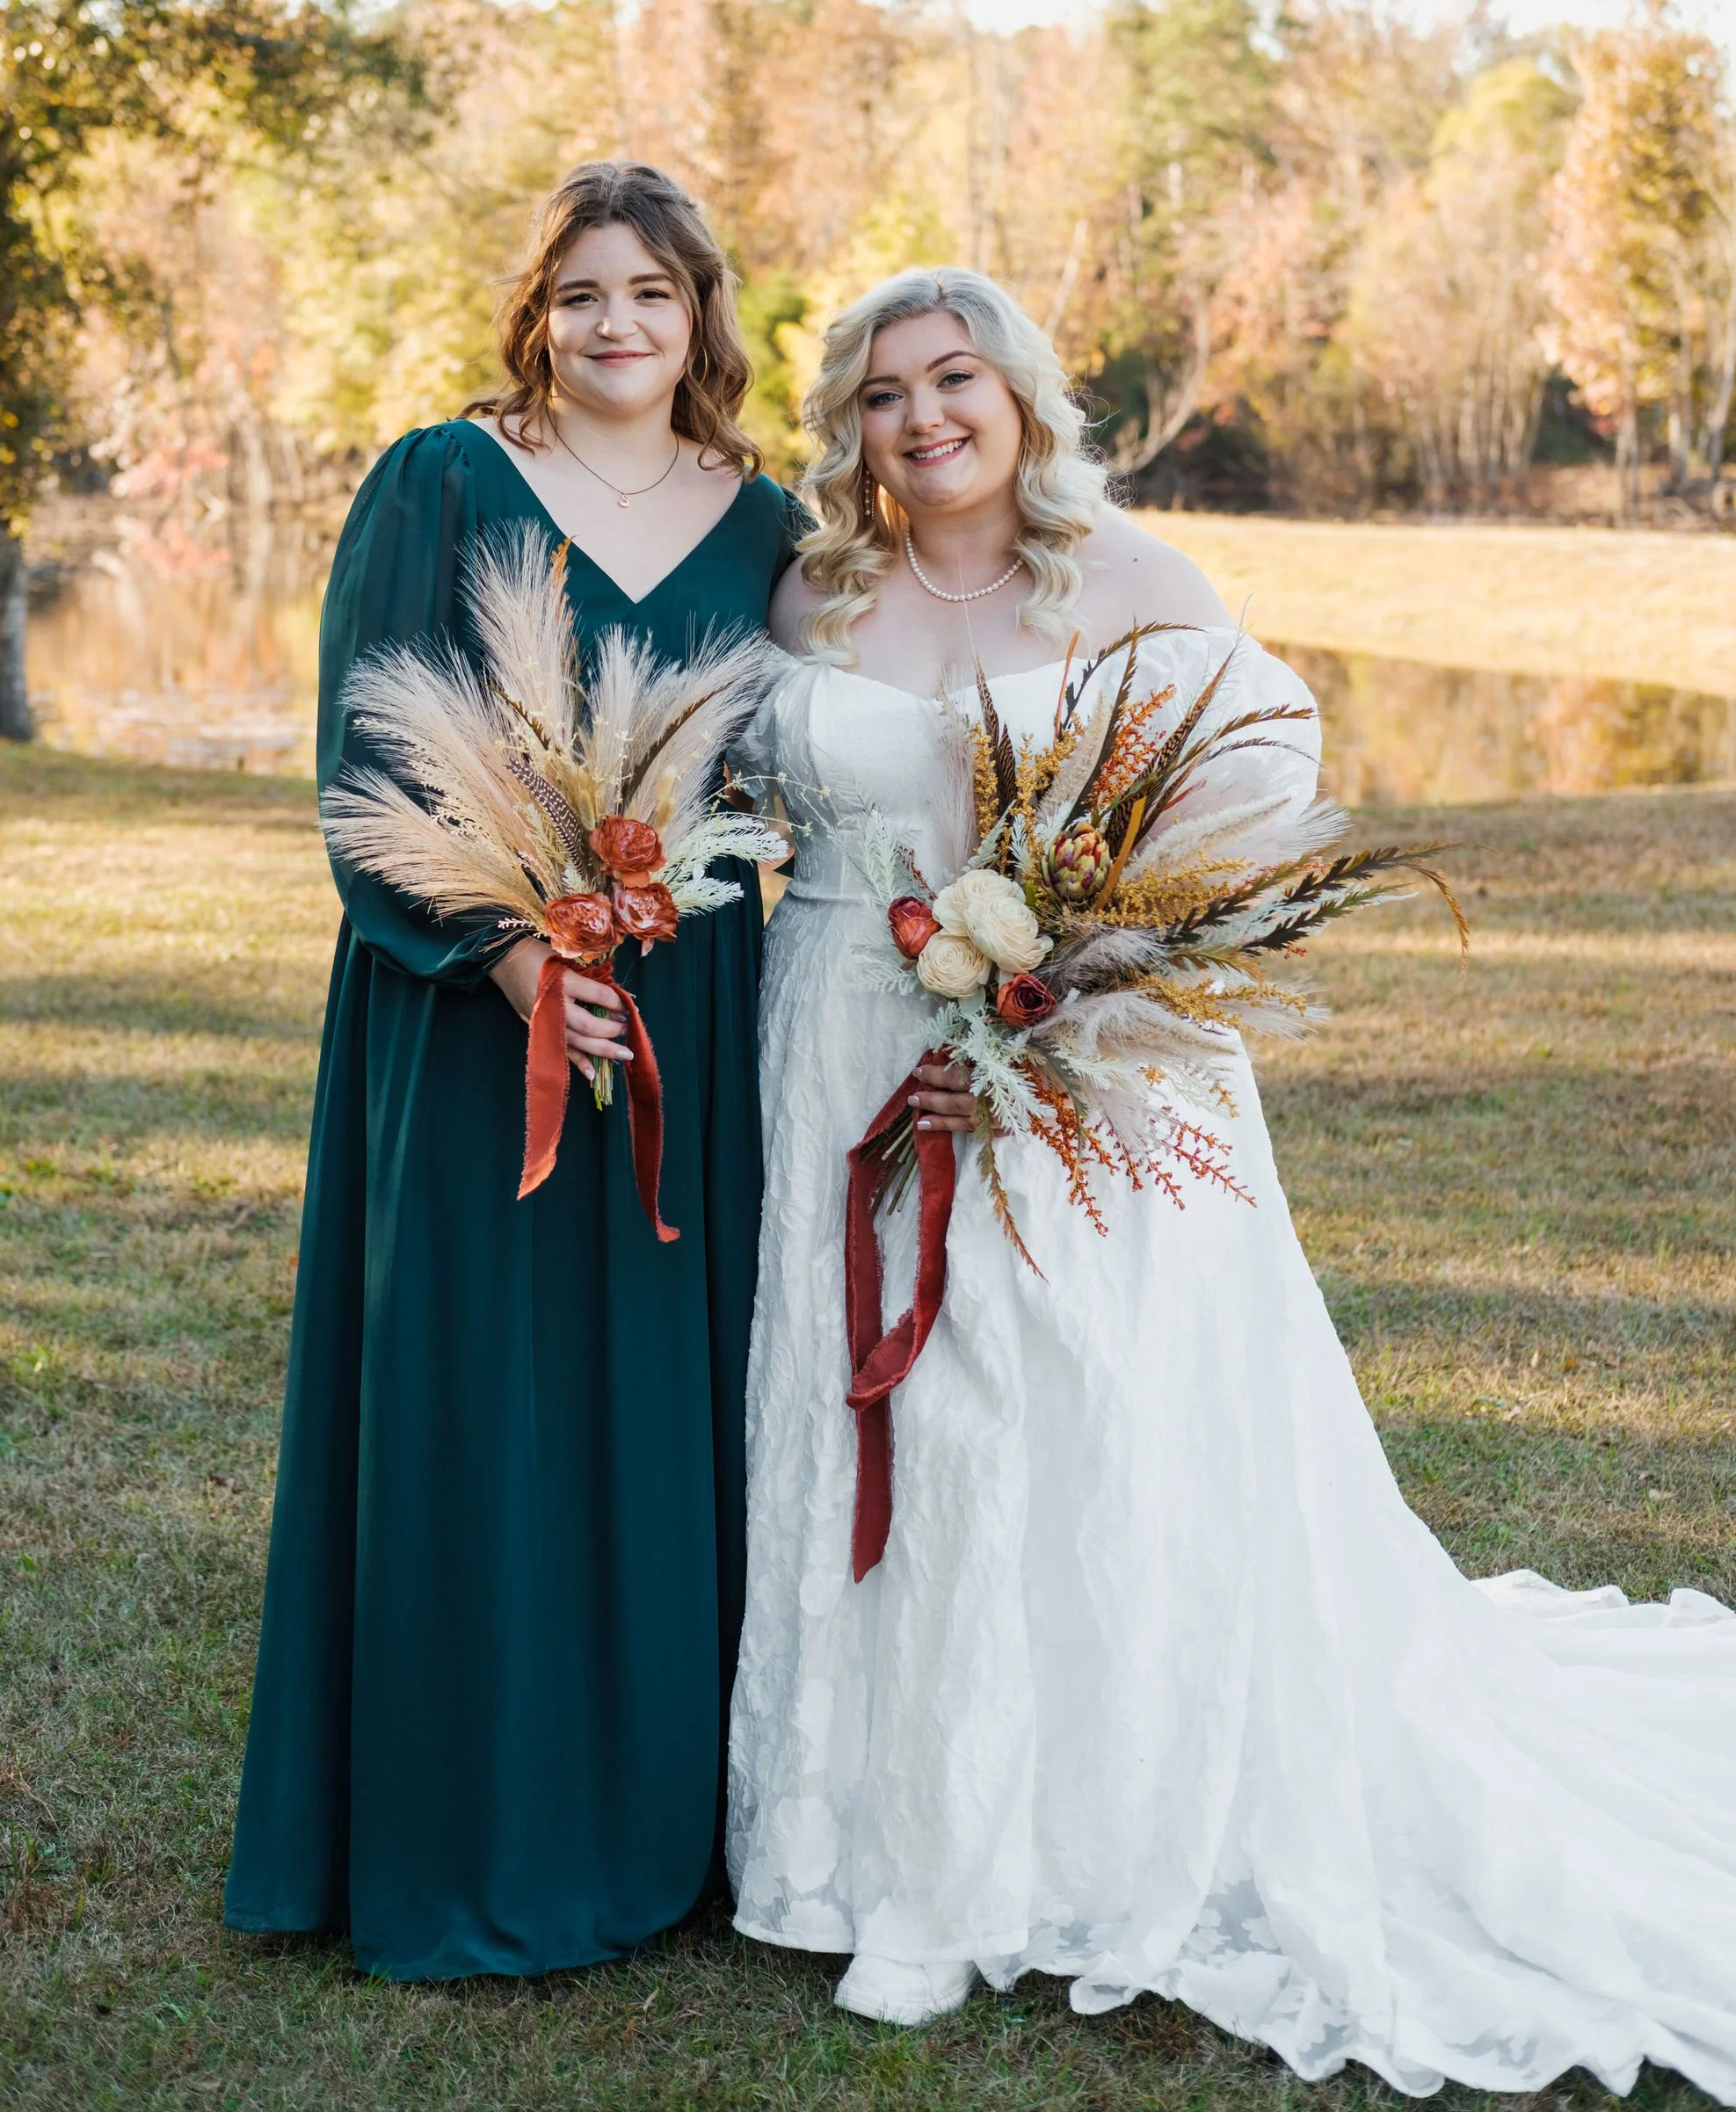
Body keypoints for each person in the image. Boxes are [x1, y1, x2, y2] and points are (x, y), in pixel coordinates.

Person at [728, 265, 1736, 2095]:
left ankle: (1022, 1854)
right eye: (882, 395)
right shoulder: (812, 593)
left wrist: (1055, 1010)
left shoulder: (1134, 585)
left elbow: (1232, 838)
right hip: (833, 1046)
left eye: (957, 378)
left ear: (1022, 396)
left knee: (1054, 1409)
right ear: (846, 429)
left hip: (1079, 1071)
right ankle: (867, 1840)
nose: (923, 418)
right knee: (870, 1403)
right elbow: (745, 810)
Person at [225, 161, 804, 1980]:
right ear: (534, 316)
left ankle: (663, 1818)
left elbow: (792, 770)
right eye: (579, 294)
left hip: (691, 1011)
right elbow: (366, 761)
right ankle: (468, 1812)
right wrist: (507, 960)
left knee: (664, 1405)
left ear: (701, 310)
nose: (615, 322)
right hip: (470, 1014)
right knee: (476, 1407)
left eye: (649, 289)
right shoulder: (442, 479)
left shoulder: (772, 518)